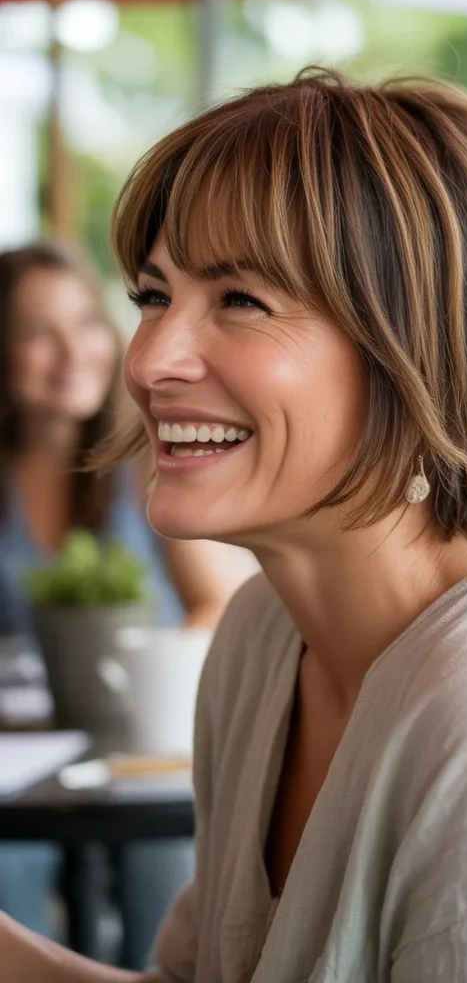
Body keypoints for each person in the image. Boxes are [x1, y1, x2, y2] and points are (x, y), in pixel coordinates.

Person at [4, 70, 467, 983]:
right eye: (154, 296)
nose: (150, 360)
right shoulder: (263, 634)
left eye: (240, 300)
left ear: (418, 350)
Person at [0, 241, 257, 969]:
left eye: (86, 322)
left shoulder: (152, 454)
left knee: (165, 866)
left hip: (144, 748)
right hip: (22, 754)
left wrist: (145, 675)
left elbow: (217, 601)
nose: (71, 352)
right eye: (37, 331)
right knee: (8, 867)